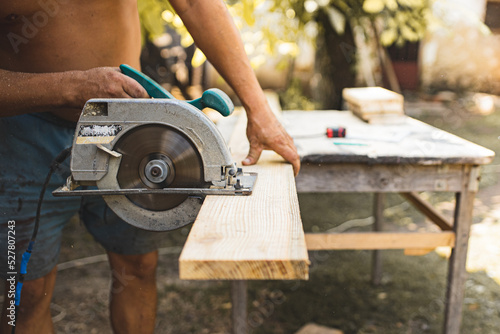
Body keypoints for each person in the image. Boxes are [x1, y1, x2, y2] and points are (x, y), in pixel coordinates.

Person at [0, 0, 300, 333]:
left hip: (129, 126)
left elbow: (195, 4)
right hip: (24, 132)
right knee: (24, 294)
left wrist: (257, 107)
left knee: (138, 266)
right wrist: (70, 87)